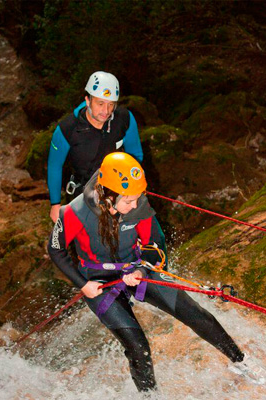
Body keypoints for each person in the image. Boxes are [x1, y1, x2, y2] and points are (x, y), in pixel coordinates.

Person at [47, 152, 244, 393]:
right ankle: (150, 397)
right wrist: (83, 285)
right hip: (97, 281)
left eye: (138, 199)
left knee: (194, 312)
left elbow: (156, 243)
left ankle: (242, 362)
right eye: (129, 200)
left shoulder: (138, 205)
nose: (135, 205)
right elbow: (56, 249)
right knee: (138, 346)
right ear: (108, 196)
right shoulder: (74, 212)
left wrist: (141, 269)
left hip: (136, 268)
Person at [47, 71, 143, 223]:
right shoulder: (67, 129)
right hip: (82, 192)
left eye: (111, 104)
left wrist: (134, 187)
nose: (106, 111)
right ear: (88, 100)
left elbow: (136, 154)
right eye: (100, 103)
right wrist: (55, 204)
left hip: (119, 190)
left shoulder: (124, 119)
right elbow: (54, 166)